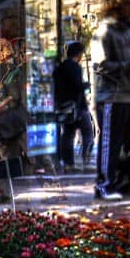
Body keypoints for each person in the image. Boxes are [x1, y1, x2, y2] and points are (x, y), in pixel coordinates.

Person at [92, 0, 130, 200]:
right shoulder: (104, 33)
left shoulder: (126, 33)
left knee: (128, 145)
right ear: (116, 9)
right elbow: (100, 66)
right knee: (111, 144)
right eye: (128, 6)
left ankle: (124, 182)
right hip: (112, 98)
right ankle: (104, 185)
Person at [53, 41, 95, 173]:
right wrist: (86, 85)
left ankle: (68, 164)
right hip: (77, 106)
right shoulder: (75, 67)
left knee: (68, 135)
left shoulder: (59, 68)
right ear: (79, 54)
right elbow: (77, 87)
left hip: (64, 107)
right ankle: (86, 162)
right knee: (88, 132)